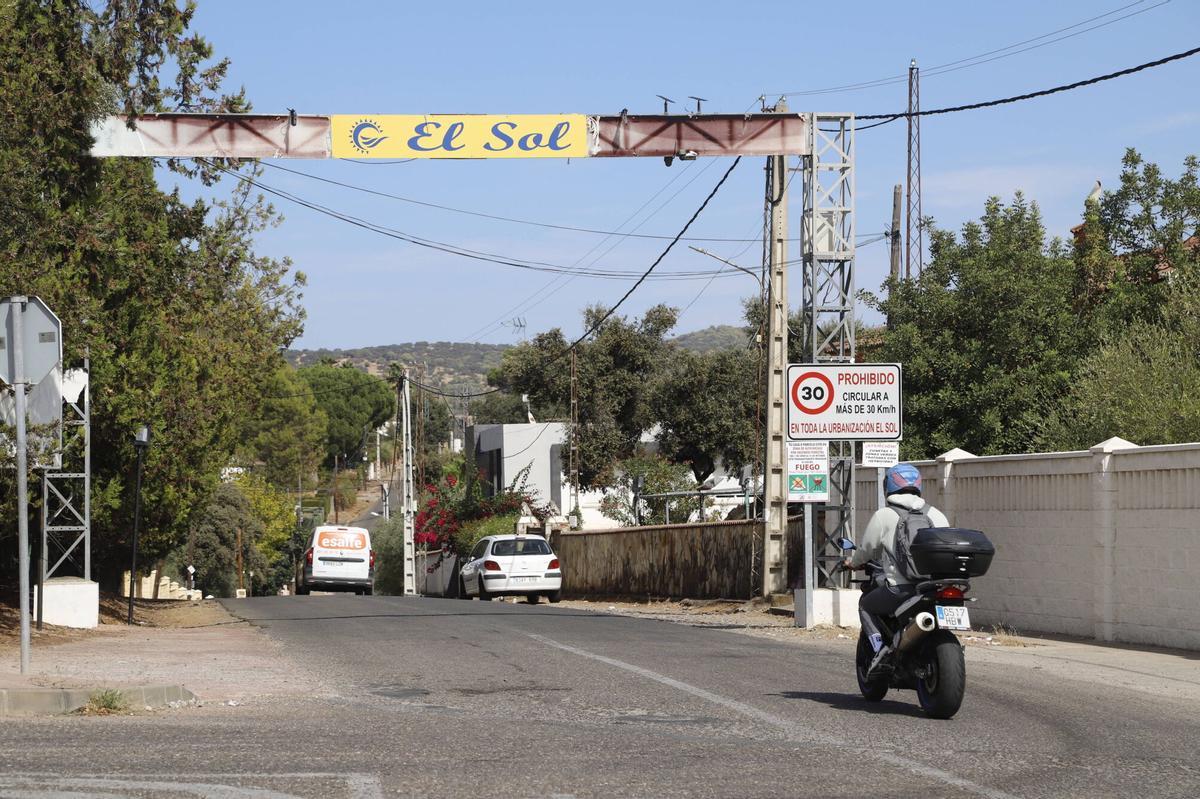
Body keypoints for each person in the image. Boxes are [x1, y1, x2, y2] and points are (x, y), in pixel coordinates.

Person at [844, 462, 949, 673]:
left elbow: (867, 549)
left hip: (901, 588)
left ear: (889, 486)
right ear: (918, 485)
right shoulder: (937, 515)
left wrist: (852, 563)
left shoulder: (884, 515)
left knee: (866, 605)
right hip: (933, 587)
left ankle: (879, 649)